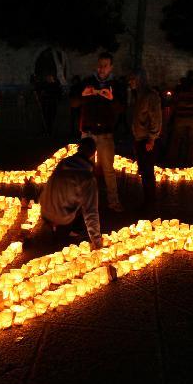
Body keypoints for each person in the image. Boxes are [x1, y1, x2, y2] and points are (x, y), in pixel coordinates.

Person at [71, 52, 125, 212]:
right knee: (85, 168)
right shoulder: (87, 82)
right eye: (100, 65)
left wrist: (111, 99)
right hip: (88, 133)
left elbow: (122, 108)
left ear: (111, 67)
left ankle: (113, 201)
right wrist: (82, 96)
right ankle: (83, 202)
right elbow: (73, 103)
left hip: (106, 133)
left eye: (105, 66)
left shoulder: (116, 85)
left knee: (108, 169)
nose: (101, 69)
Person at [39, 137, 103, 250]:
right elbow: (91, 211)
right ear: (93, 153)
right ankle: (71, 233)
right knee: (86, 202)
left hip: (45, 210)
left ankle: (51, 226)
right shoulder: (87, 178)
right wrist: (97, 241)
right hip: (62, 218)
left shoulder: (63, 163)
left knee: (74, 195)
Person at [129, 69, 162, 210]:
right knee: (143, 170)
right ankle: (147, 199)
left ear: (140, 80)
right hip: (139, 137)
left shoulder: (150, 96)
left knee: (148, 171)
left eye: (132, 79)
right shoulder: (138, 96)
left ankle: (150, 202)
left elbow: (155, 118)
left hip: (146, 139)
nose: (130, 82)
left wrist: (152, 138)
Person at [166, 71, 193, 166]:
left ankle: (172, 162)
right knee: (191, 142)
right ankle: (187, 163)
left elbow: (173, 102)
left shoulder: (180, 87)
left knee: (176, 140)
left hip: (180, 117)